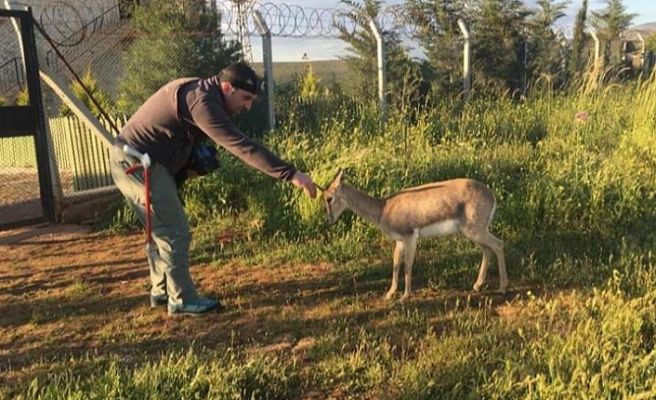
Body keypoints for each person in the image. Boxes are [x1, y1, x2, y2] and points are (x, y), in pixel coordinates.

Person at [110, 63, 317, 316]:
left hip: (140, 160)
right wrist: (290, 173)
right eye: (246, 98)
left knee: (162, 229)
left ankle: (162, 291)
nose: (248, 106)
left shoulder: (201, 91)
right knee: (174, 230)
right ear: (228, 87)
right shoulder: (203, 104)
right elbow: (242, 147)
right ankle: (181, 299)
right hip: (137, 163)